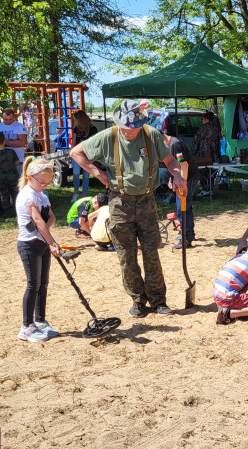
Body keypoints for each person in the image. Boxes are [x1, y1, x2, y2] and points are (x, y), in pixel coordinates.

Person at [69, 100, 187, 317]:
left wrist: (177, 173)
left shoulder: (151, 134)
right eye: (126, 127)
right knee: (126, 255)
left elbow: (170, 160)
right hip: (119, 203)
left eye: (134, 127)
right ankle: (138, 300)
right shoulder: (108, 136)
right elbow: (76, 152)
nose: (130, 132)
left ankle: (158, 300)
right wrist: (99, 173)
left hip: (146, 202)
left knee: (152, 253)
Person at [15, 157, 61, 342]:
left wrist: (44, 232)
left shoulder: (42, 195)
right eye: (42, 182)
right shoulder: (27, 195)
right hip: (29, 244)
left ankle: (40, 321)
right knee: (33, 285)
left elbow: (51, 218)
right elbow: (38, 220)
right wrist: (52, 241)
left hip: (40, 242)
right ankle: (26, 326)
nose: (45, 185)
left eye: (48, 182)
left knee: (43, 284)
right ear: (29, 177)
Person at [163, 126, 196, 249]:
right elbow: (176, 166)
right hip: (186, 177)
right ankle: (188, 234)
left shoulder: (175, 144)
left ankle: (186, 239)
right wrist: (172, 179)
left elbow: (184, 165)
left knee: (182, 209)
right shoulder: (171, 144)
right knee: (186, 207)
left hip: (188, 178)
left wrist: (182, 183)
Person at [0, 132, 21, 218]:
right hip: (13, 176)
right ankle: (17, 212)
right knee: (15, 194)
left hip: (1, 177)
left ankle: (7, 214)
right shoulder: (11, 152)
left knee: (3, 195)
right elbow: (17, 162)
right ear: (4, 141)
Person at [70, 110, 98, 202]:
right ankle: (76, 192)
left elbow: (94, 143)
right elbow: (73, 140)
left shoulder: (92, 129)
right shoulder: (76, 128)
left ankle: (84, 194)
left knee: (86, 174)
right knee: (76, 173)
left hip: (88, 154)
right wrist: (71, 151)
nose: (75, 121)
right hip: (77, 154)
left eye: (76, 119)